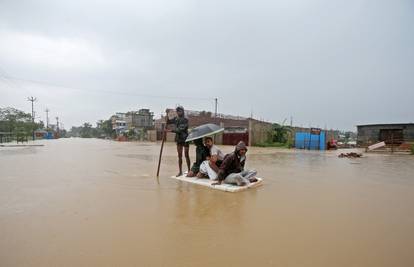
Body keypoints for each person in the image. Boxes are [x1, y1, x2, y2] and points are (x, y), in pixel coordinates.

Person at [166, 106, 191, 177]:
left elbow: (180, 129)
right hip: (178, 139)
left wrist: (170, 130)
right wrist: (167, 114)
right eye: (177, 111)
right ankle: (180, 171)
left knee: (186, 155)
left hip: (185, 138)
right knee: (179, 156)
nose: (179, 112)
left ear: (182, 111)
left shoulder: (185, 119)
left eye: (180, 111)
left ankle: (189, 170)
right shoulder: (176, 119)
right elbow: (168, 122)